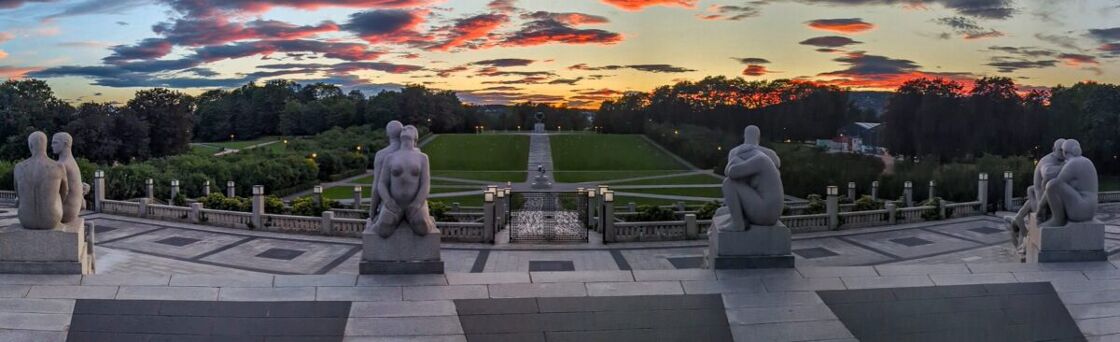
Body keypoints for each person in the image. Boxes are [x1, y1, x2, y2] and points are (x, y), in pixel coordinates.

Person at [373, 125, 436, 237]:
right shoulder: (390, 157)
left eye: (410, 128)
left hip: (414, 204)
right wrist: (388, 201)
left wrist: (417, 203)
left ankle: (428, 218)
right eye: (404, 128)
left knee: (422, 228)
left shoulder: (422, 157)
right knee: (383, 231)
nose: (405, 129)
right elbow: (382, 183)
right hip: (394, 204)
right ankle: (380, 217)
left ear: (415, 137)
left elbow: (425, 184)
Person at [721, 125, 784, 230]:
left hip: (766, 214)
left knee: (729, 183)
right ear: (758, 137)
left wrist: (735, 158)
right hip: (770, 211)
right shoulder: (766, 156)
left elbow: (730, 172)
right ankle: (739, 217)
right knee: (738, 178)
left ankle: (738, 224)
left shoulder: (759, 160)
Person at [1007, 138, 1065, 248]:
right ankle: (1023, 240)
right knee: (1042, 218)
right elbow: (1047, 173)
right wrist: (1066, 168)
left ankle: (1020, 228)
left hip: (1047, 197)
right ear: (1054, 149)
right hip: (1040, 200)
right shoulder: (1047, 161)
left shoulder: (1061, 160)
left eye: (1065, 151)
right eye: (1060, 150)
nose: (1063, 154)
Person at [13, 132, 67, 230]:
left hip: (25, 220)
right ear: (45, 145)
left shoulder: (19, 167)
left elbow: (18, 194)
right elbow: (64, 192)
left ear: (30, 145)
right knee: (57, 192)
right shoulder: (58, 166)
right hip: (51, 220)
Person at [1038, 139, 1098, 226]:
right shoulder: (1086, 161)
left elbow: (1055, 184)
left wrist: (1040, 206)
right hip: (1090, 211)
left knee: (1051, 184)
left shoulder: (1072, 163)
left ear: (1065, 152)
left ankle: (1057, 219)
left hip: (1080, 210)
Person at [369, 121, 403, 219]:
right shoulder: (415, 155)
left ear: (387, 133)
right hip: (411, 208)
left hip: (389, 208)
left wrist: (372, 211)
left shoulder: (382, 155)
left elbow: (376, 187)